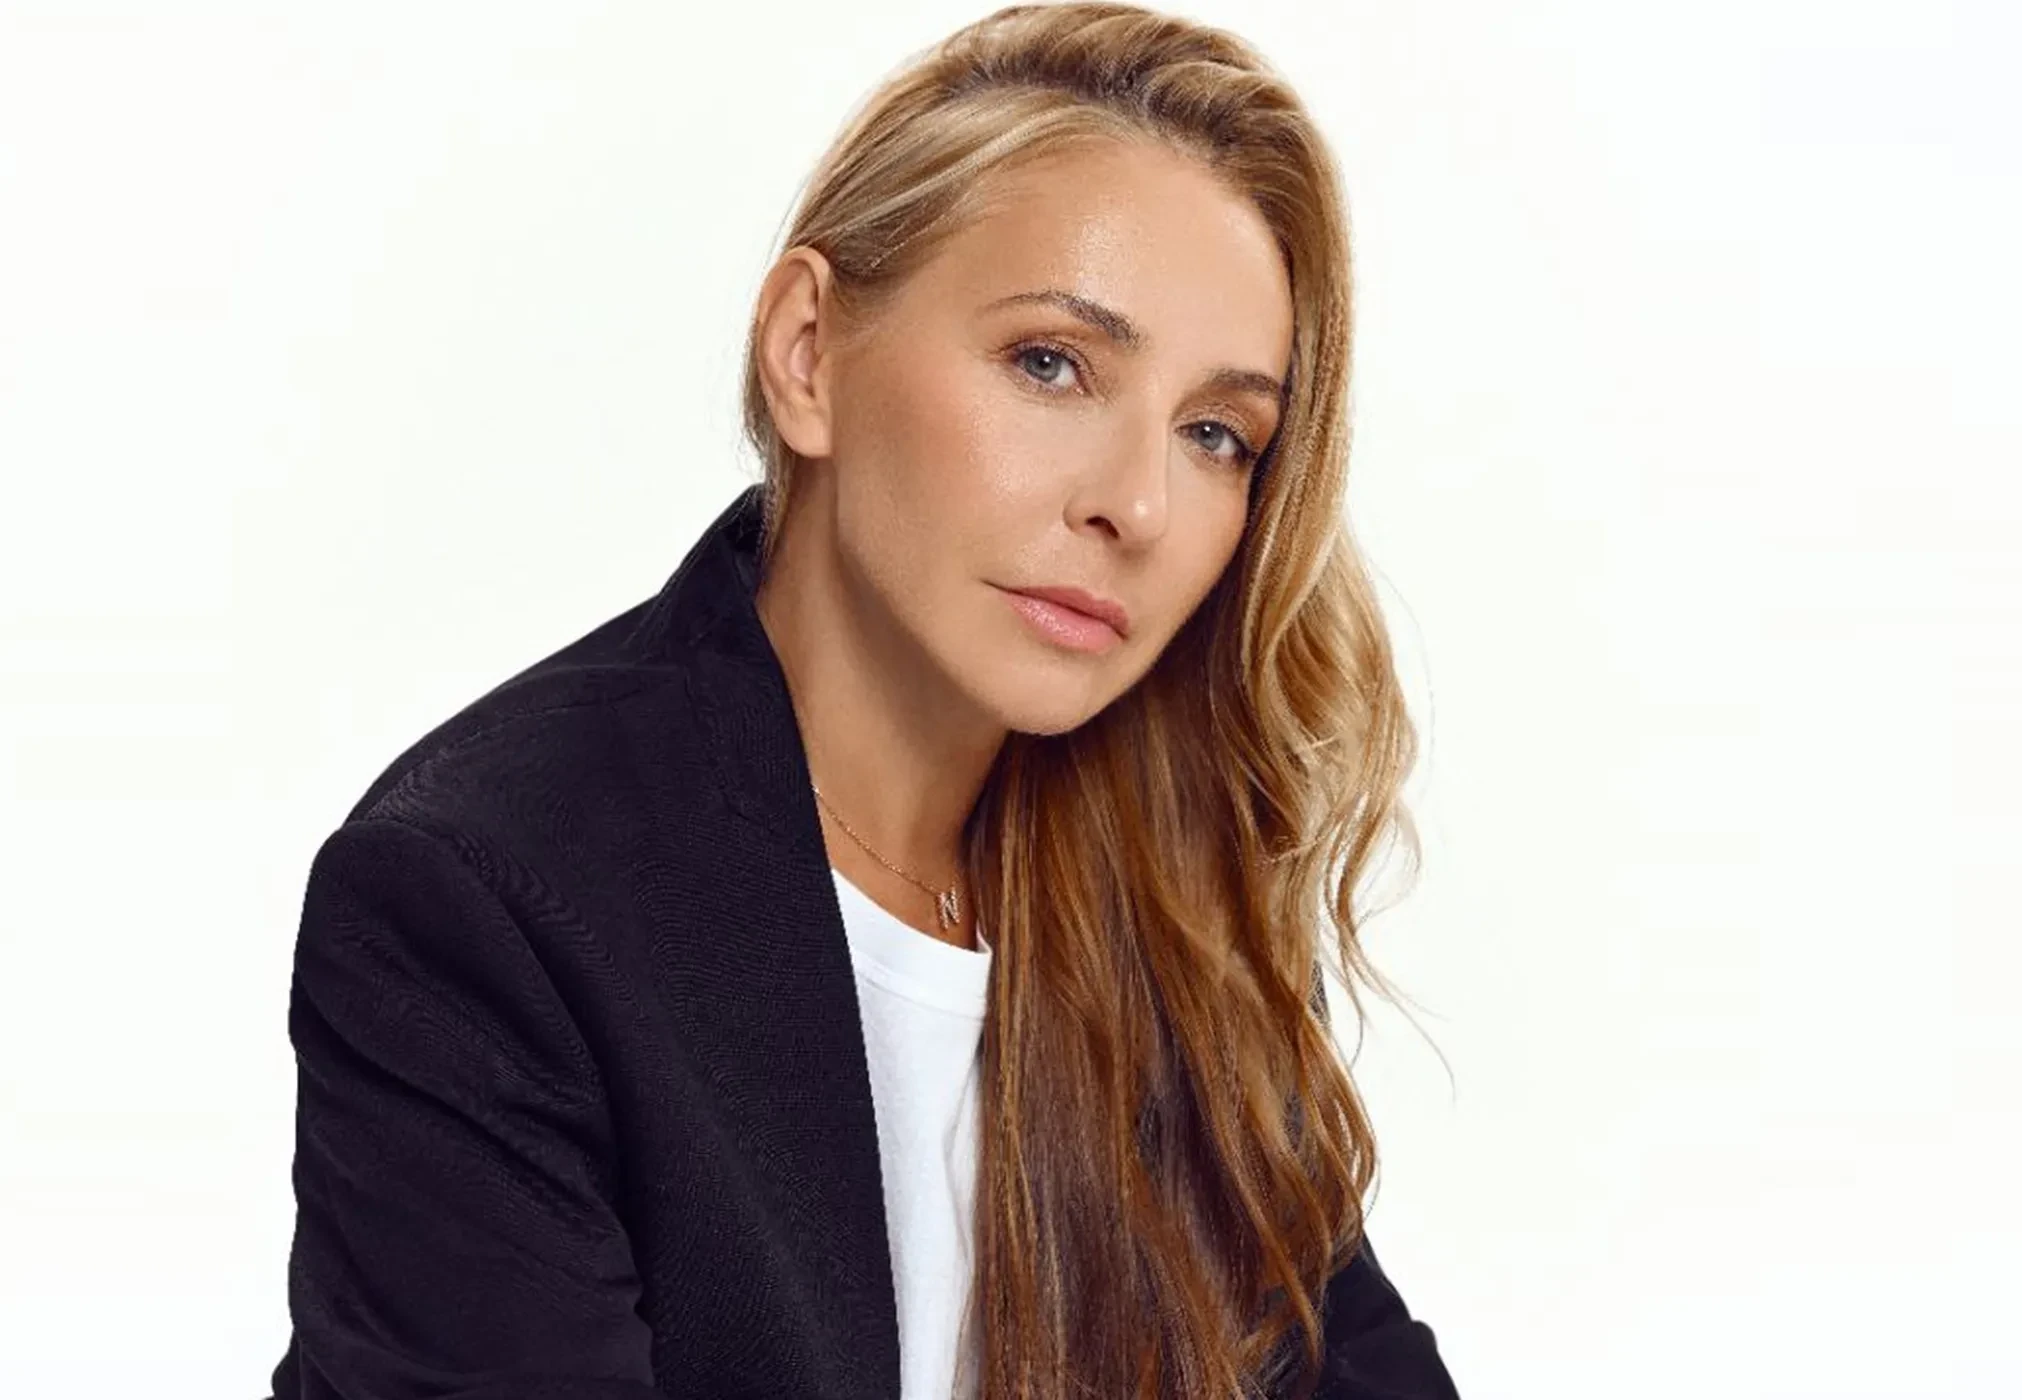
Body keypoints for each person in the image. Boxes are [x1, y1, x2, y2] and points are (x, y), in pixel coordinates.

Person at [264, 4, 1462, 1397]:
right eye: (1051, 364)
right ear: (808, 352)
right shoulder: (492, 895)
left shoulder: (1171, 892)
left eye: (1215, 434)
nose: (1135, 505)